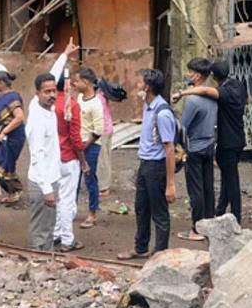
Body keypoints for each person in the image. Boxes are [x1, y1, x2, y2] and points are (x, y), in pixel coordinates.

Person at [178, 58, 247, 222]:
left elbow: (206, 92)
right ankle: (220, 209)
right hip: (238, 138)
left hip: (225, 142)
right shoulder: (238, 85)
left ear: (212, 75)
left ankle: (236, 216)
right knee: (224, 179)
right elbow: (247, 100)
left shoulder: (221, 93)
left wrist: (182, 93)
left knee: (230, 181)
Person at [118, 68, 177, 260]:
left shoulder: (162, 113)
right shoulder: (148, 105)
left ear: (148, 87)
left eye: (140, 82)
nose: (137, 85)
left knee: (159, 212)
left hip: (156, 167)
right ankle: (141, 247)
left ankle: (160, 253)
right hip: (145, 164)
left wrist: (170, 183)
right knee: (141, 207)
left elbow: (169, 149)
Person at [50, 39, 88, 252]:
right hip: (68, 158)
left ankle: (57, 234)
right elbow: (75, 139)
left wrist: (64, 54)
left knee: (57, 199)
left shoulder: (47, 104)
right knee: (66, 201)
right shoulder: (71, 105)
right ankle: (67, 239)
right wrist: (83, 160)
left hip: (52, 158)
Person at [176, 58, 217, 242]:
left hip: (195, 147)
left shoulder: (192, 100)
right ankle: (208, 222)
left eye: (189, 72)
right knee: (208, 186)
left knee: (196, 190)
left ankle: (196, 229)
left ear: (197, 76)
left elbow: (183, 127)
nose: (187, 75)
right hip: (209, 145)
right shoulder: (212, 95)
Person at [25, 72, 61, 250]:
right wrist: (47, 189)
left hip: (51, 178)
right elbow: (36, 156)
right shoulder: (38, 119)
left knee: (48, 228)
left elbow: (53, 72)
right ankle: (38, 265)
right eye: (47, 92)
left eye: (54, 91)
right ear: (37, 93)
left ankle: (47, 265)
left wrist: (64, 56)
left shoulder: (45, 108)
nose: (52, 95)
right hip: (43, 182)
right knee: (42, 232)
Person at [73, 67, 105, 229]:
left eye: (77, 80)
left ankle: (92, 213)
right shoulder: (79, 97)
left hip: (90, 146)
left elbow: (98, 131)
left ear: (86, 82)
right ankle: (71, 210)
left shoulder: (96, 103)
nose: (74, 83)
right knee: (73, 179)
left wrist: (84, 146)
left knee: (90, 179)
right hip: (78, 144)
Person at [0, 70, 26, 204]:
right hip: (0, 136)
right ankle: (12, 193)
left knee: (1, 167)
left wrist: (5, 131)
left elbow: (19, 117)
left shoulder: (12, 97)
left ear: (2, 83)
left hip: (12, 136)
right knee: (2, 165)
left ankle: (17, 189)